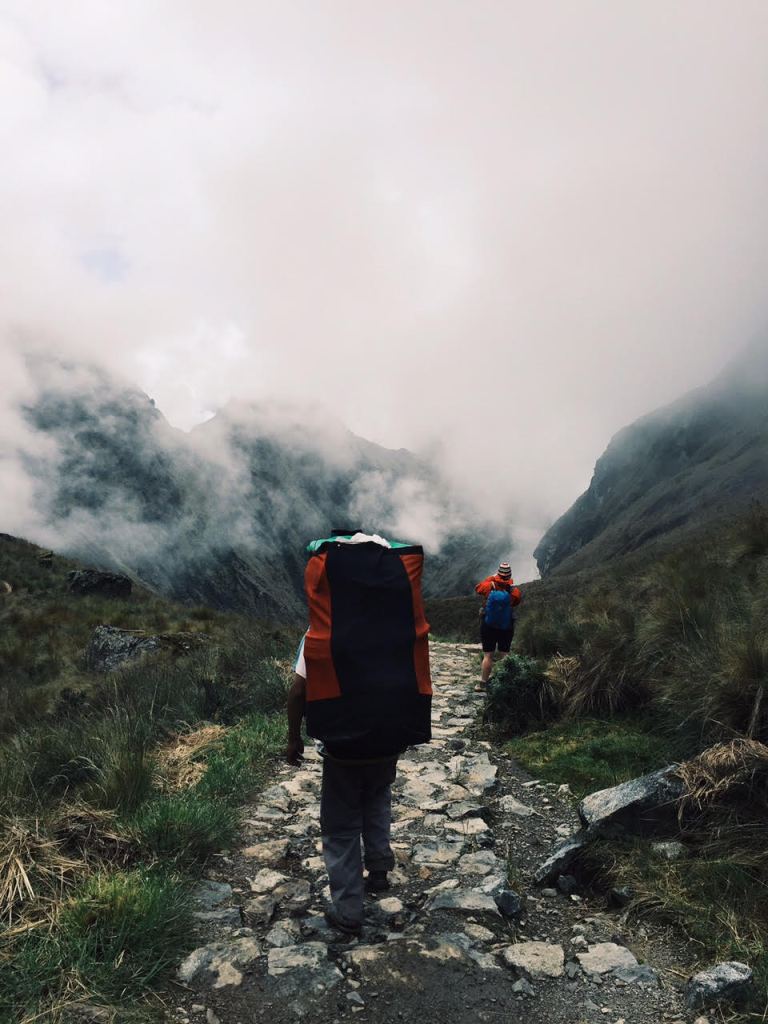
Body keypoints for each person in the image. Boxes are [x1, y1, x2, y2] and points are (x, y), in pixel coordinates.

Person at [286, 530, 432, 936]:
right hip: (389, 738)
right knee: (378, 797)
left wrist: (293, 738)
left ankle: (348, 910)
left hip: (342, 745)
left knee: (340, 824)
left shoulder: (324, 631)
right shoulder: (401, 627)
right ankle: (380, 870)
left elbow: (298, 689)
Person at [474, 561, 521, 692]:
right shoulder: (514, 591)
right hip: (506, 626)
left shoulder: (489, 586)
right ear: (509, 575)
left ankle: (483, 684)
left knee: (488, 655)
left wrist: (491, 578)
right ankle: (505, 684)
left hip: (488, 625)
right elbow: (516, 602)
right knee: (505, 654)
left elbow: (478, 588)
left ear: (498, 574)